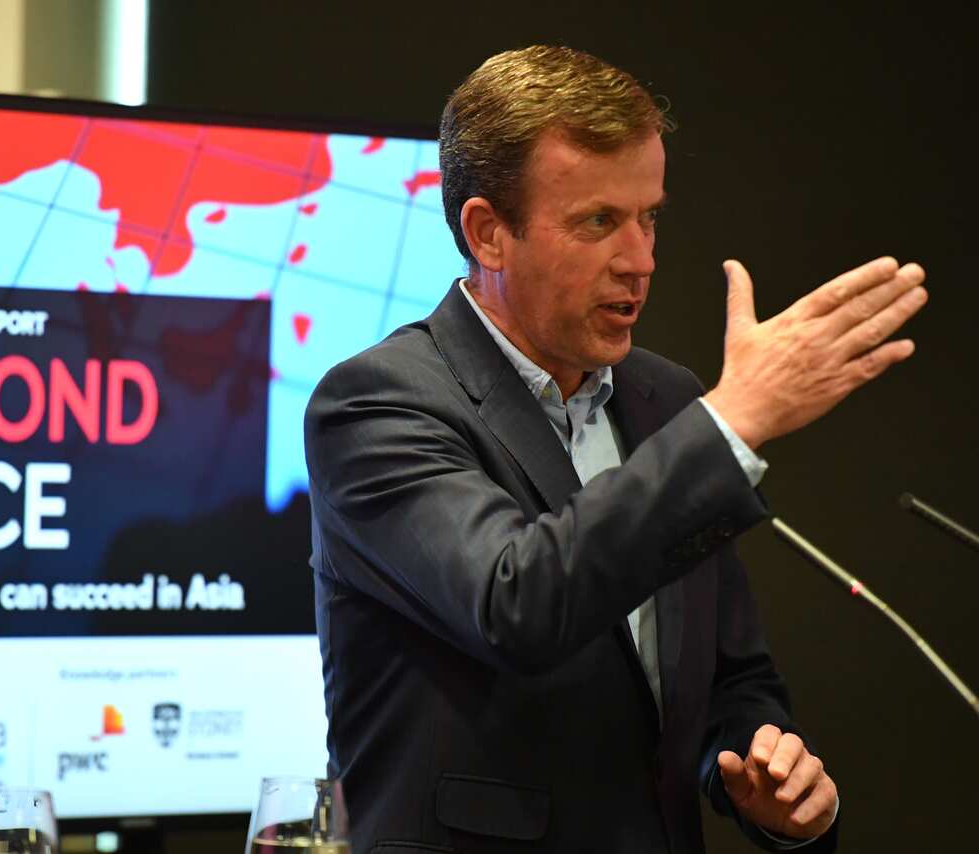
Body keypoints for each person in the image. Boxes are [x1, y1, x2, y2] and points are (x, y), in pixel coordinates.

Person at [303, 45, 926, 854]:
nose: (642, 259)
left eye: (650, 216)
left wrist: (763, 769)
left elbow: (725, 678)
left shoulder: (669, 403)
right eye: (599, 221)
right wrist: (734, 420)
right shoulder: (377, 405)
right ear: (489, 234)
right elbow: (516, 601)